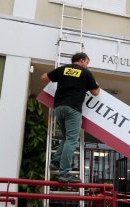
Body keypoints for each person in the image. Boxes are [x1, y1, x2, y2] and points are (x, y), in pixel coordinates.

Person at [41, 52, 100, 183]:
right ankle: (64, 173)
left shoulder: (63, 69)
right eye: (87, 62)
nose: (87, 65)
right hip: (73, 109)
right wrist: (96, 84)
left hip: (59, 108)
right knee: (72, 140)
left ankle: (56, 161)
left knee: (67, 137)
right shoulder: (85, 73)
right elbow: (95, 92)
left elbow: (43, 77)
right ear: (82, 60)